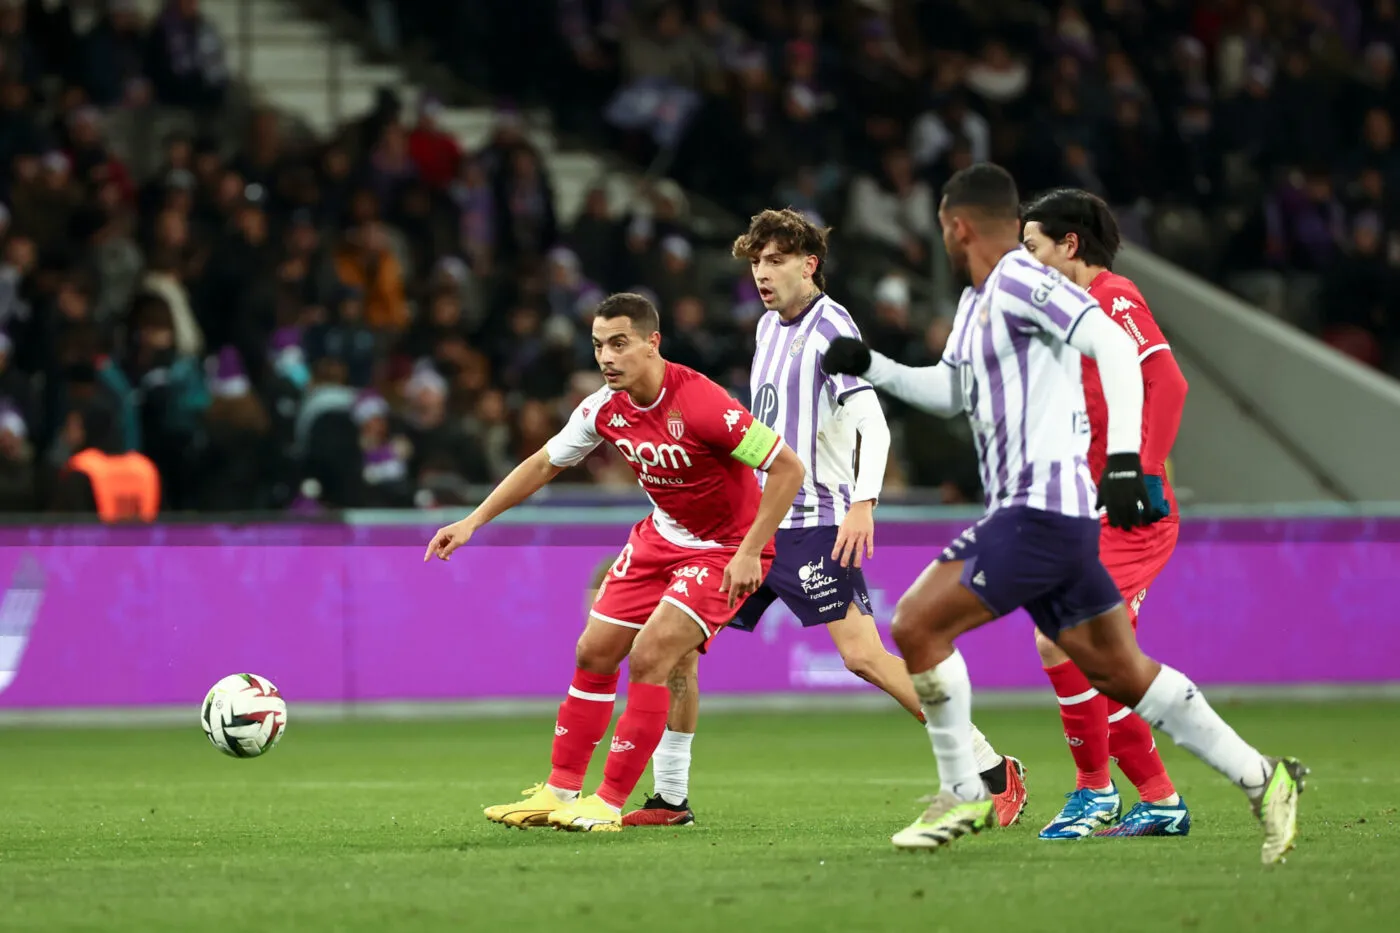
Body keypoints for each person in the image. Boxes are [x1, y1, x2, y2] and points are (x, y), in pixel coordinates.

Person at [821, 163, 1305, 864]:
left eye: (943, 228)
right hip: (1057, 518)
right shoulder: (978, 301)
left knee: (917, 624)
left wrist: (1128, 460)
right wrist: (872, 365)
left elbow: (1114, 345)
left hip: (1040, 509)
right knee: (1120, 671)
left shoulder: (1022, 279)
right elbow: (950, 391)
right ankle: (1264, 778)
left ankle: (967, 788)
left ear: (957, 226)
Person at [622, 208, 1028, 830]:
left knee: (863, 657)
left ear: (809, 264)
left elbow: (872, 423)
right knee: (677, 650)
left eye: (776, 260)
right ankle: (670, 798)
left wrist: (863, 503)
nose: (762, 273)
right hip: (752, 526)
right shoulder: (767, 327)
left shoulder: (831, 327)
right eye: (756, 262)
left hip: (813, 522)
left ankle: (991, 767)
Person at [426, 292, 806, 833]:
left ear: (653, 343)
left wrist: (749, 551)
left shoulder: (703, 403)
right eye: (599, 345)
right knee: (594, 651)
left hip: (724, 549)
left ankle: (607, 802)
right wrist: (473, 521)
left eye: (620, 343)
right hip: (659, 539)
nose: (607, 357)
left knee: (652, 656)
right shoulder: (604, 407)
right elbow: (543, 463)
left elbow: (788, 468)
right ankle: (560, 791)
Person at [1020, 188, 1192, 839]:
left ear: (1070, 244)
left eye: (1033, 247)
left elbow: (1169, 382)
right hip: (1088, 510)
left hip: (1131, 513)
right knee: (1097, 657)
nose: (1026, 262)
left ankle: (1099, 790)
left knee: (1067, 639)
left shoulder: (1113, 297)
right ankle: (1153, 798)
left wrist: (1142, 469)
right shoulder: (1069, 318)